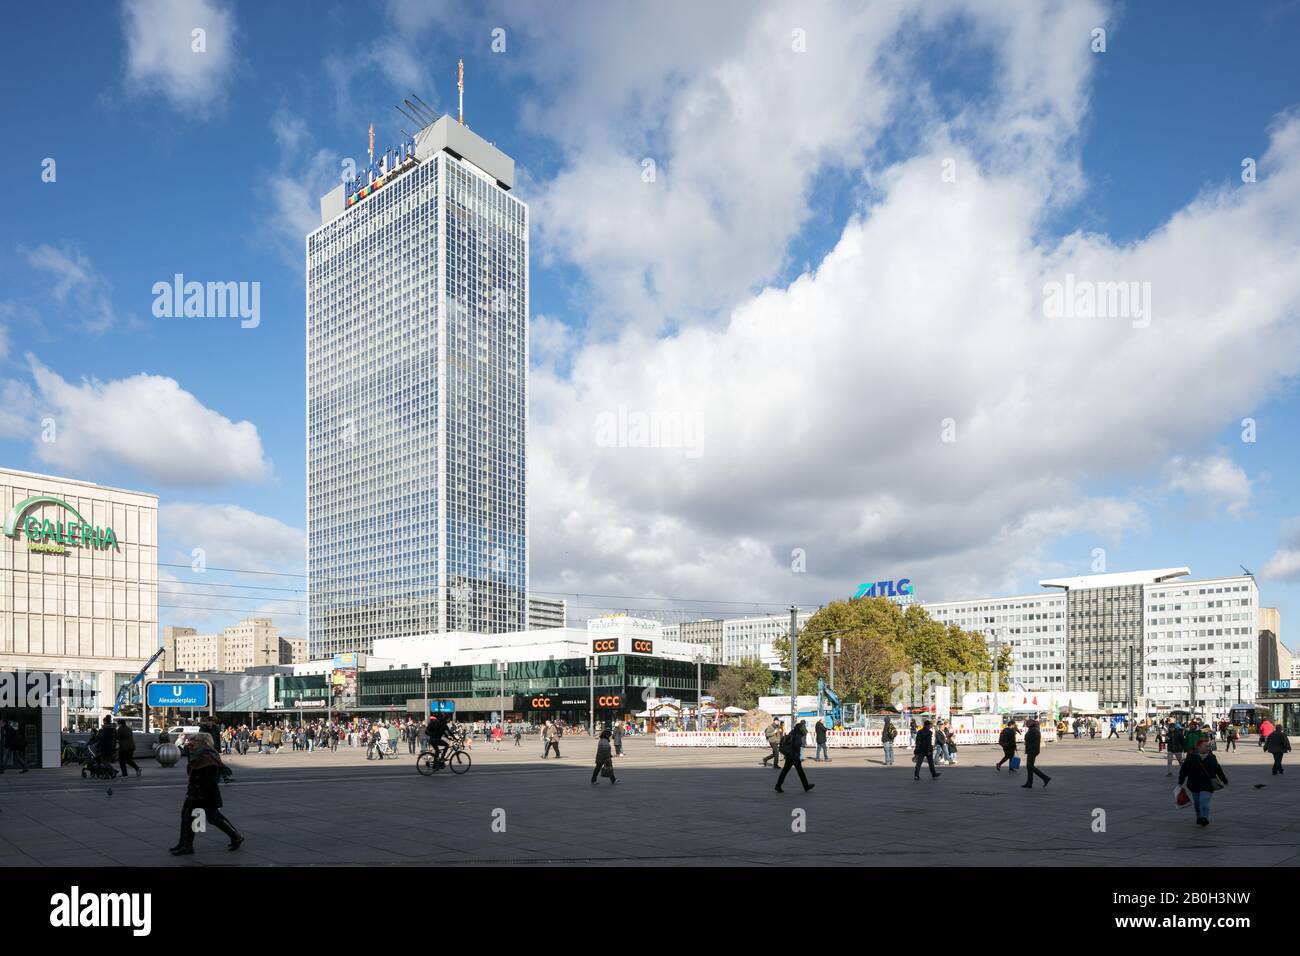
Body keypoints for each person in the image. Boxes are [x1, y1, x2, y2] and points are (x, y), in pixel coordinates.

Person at [170, 734, 243, 855]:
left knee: (213, 818)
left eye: (195, 740)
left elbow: (209, 777)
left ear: (204, 742)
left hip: (205, 793)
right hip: (194, 792)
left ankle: (236, 836)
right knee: (188, 817)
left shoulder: (208, 756)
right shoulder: (197, 753)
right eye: (191, 739)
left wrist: (199, 793)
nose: (191, 742)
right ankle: (185, 844)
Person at [1178, 736, 1227, 827]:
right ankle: (1199, 816)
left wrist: (1224, 779)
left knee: (1204, 801)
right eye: (1206, 746)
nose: (1208, 748)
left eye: (1209, 746)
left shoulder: (1212, 757)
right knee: (1197, 804)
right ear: (1199, 747)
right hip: (1194, 784)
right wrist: (1181, 781)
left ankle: (1204, 817)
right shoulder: (1192, 757)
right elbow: (1184, 770)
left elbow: (1217, 769)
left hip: (1208, 784)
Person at [775, 720, 814, 793]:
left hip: (790, 755)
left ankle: (778, 785)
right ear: (800, 728)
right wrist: (799, 745)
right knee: (800, 772)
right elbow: (796, 745)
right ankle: (806, 786)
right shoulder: (797, 735)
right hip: (794, 756)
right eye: (802, 727)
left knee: (785, 772)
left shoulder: (792, 732)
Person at [1021, 719, 1050, 789]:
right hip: (1032, 749)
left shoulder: (1033, 731)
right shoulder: (1034, 730)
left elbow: (1027, 738)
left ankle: (1045, 777)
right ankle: (1029, 782)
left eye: (1027, 723)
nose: (1026, 725)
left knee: (1030, 766)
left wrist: (1026, 737)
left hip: (1032, 750)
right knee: (1029, 767)